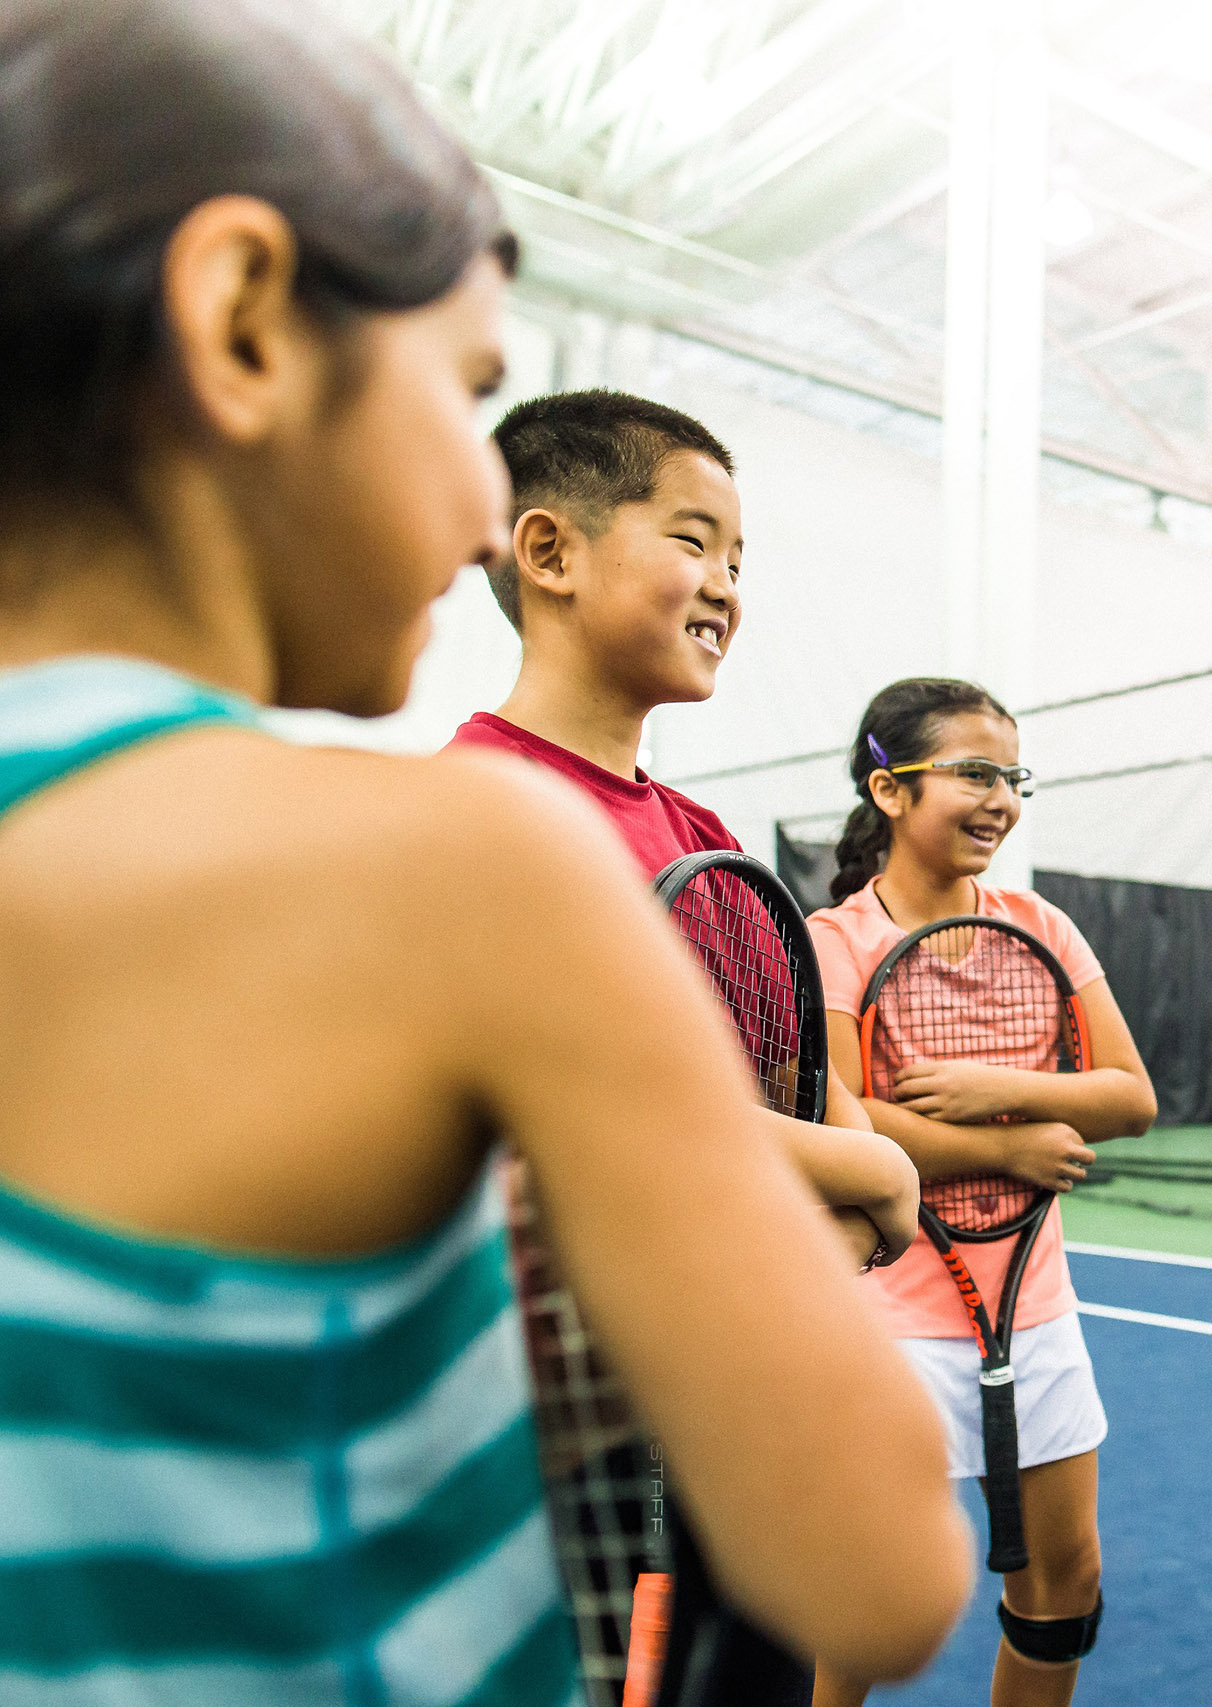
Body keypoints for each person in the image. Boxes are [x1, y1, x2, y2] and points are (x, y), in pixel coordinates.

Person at [0, 2, 972, 1701]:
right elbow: (877, 1568)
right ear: (241, 324)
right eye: (464, 390)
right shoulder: (466, 862)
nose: (472, 512)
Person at [444, 387, 926, 1703]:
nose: (726, 585)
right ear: (548, 553)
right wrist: (869, 1179)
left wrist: (857, 1176)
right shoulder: (475, 813)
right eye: (695, 540)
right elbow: (577, 1115)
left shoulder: (707, 841)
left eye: (740, 560)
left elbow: (791, 1103)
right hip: (564, 1439)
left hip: (737, 1404)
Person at [805, 678, 1158, 1707]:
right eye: (973, 772)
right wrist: (1009, 1149)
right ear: (890, 789)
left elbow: (1128, 1096)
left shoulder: (1038, 923)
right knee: (863, 1612)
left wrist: (997, 1092)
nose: (1000, 797)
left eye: (1012, 776)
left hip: (1035, 1313)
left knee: (1066, 1589)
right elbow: (849, 1129)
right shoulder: (834, 944)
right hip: (884, 1320)